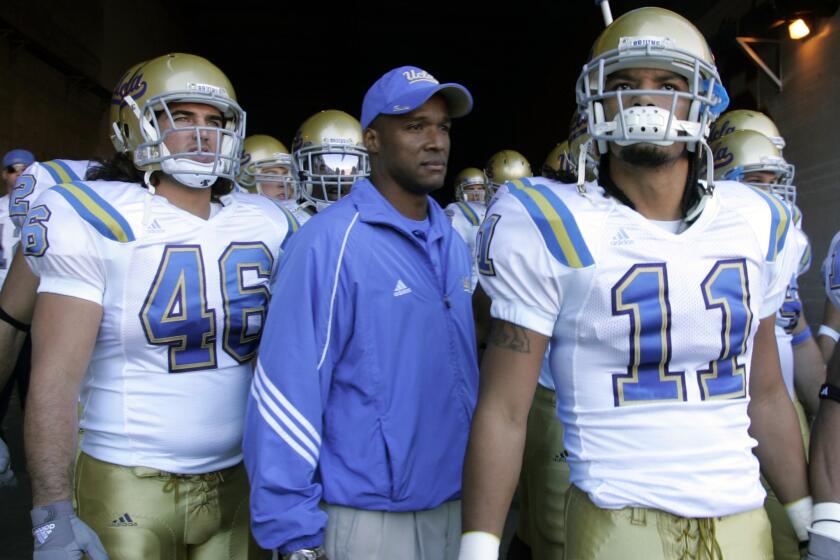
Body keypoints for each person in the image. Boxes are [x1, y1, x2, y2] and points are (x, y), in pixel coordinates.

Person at [458, 8, 810, 560]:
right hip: (618, 522)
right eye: (624, 85)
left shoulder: (756, 220)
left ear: (702, 98)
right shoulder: (551, 222)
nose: (645, 101)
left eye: (668, 85)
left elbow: (766, 392)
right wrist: (477, 548)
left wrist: (807, 514)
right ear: (596, 100)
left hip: (743, 516)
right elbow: (504, 409)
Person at [24, 52, 295, 559]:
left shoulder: (269, 222)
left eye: (215, 122)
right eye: (182, 118)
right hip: (127, 480)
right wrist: (50, 512)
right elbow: (55, 377)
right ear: (135, 126)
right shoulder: (95, 215)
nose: (203, 135)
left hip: (240, 476)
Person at [244, 65, 478, 560]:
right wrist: (292, 532)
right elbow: (286, 390)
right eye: (415, 126)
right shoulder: (328, 241)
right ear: (372, 139)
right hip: (368, 519)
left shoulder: (452, 241)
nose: (436, 141)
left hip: (456, 504)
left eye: (443, 126)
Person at [711, 128, 824, 559]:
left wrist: (824, 415)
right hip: (729, 412)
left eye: (775, 182)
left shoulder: (779, 244)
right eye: (757, 181)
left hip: (777, 407)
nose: (772, 194)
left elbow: (799, 338)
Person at [292, 109, 369, 215]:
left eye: (349, 165)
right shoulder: (287, 222)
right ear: (301, 168)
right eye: (326, 166)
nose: (337, 178)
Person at [240, 134, 311, 225]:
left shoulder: (306, 220)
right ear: (245, 180)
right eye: (271, 175)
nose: (283, 183)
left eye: (286, 174)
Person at [445, 167, 488, 291]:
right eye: (470, 189)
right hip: (469, 284)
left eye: (480, 189)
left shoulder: (495, 208)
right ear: (460, 191)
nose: (476, 194)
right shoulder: (456, 212)